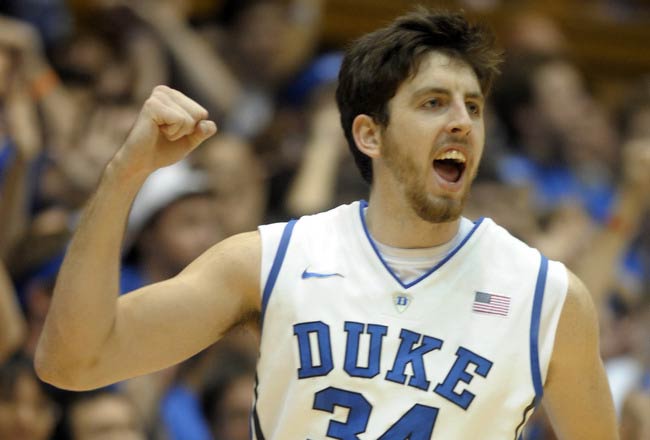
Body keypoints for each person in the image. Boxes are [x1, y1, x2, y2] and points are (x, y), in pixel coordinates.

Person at [35, 8, 618, 439]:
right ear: (370, 134)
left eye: (473, 106)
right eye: (433, 103)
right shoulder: (271, 259)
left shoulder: (547, 296)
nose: (462, 122)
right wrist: (123, 175)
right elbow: (73, 360)